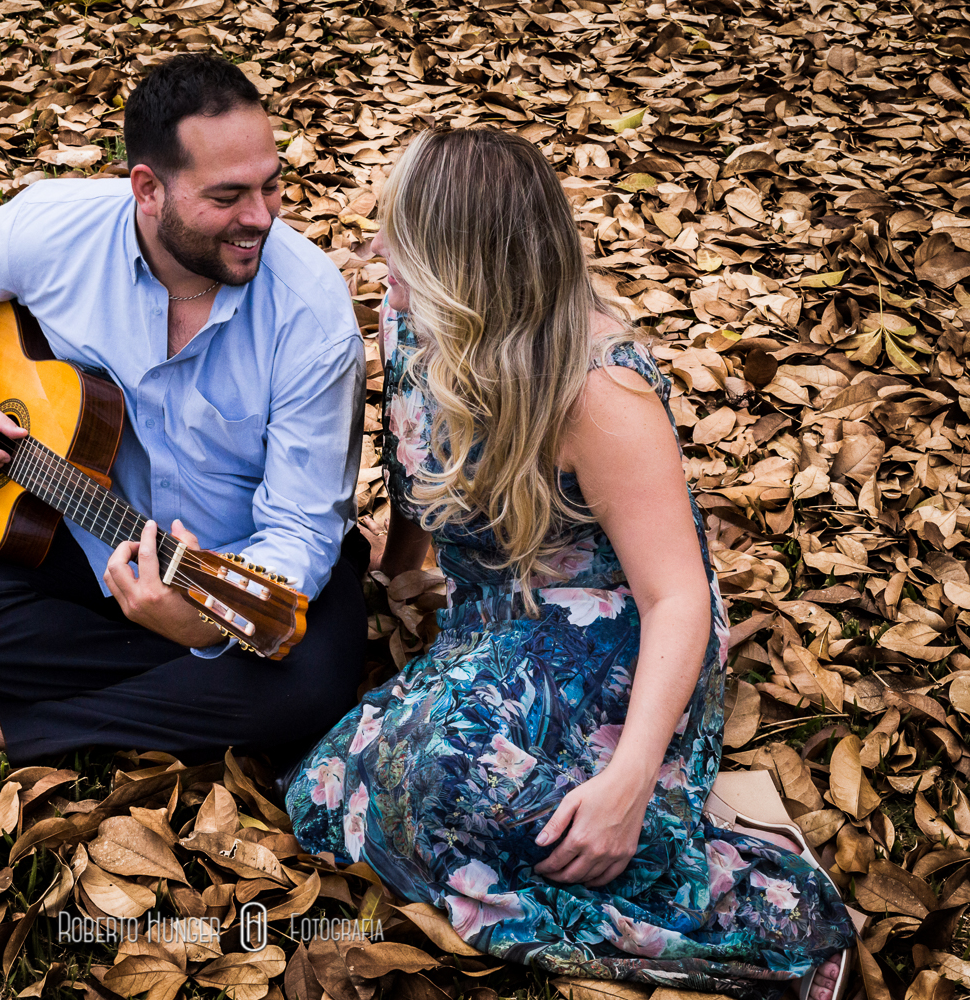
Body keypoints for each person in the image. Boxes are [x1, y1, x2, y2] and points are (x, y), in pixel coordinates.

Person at [282, 127, 854, 1000]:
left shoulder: (596, 390)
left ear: (464, 266)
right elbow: (411, 466)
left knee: (449, 781)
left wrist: (629, 778)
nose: (378, 252)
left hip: (617, 635)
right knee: (332, 792)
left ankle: (745, 897)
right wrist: (396, 575)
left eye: (404, 240)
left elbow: (678, 596)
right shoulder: (414, 316)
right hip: (494, 624)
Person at [0, 54, 368, 794]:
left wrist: (200, 623)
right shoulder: (59, 227)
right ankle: (203, 699)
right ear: (147, 188)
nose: (262, 218)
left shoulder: (312, 314)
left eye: (272, 184)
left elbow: (303, 534)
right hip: (96, 538)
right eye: (228, 195)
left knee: (313, 679)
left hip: (244, 570)